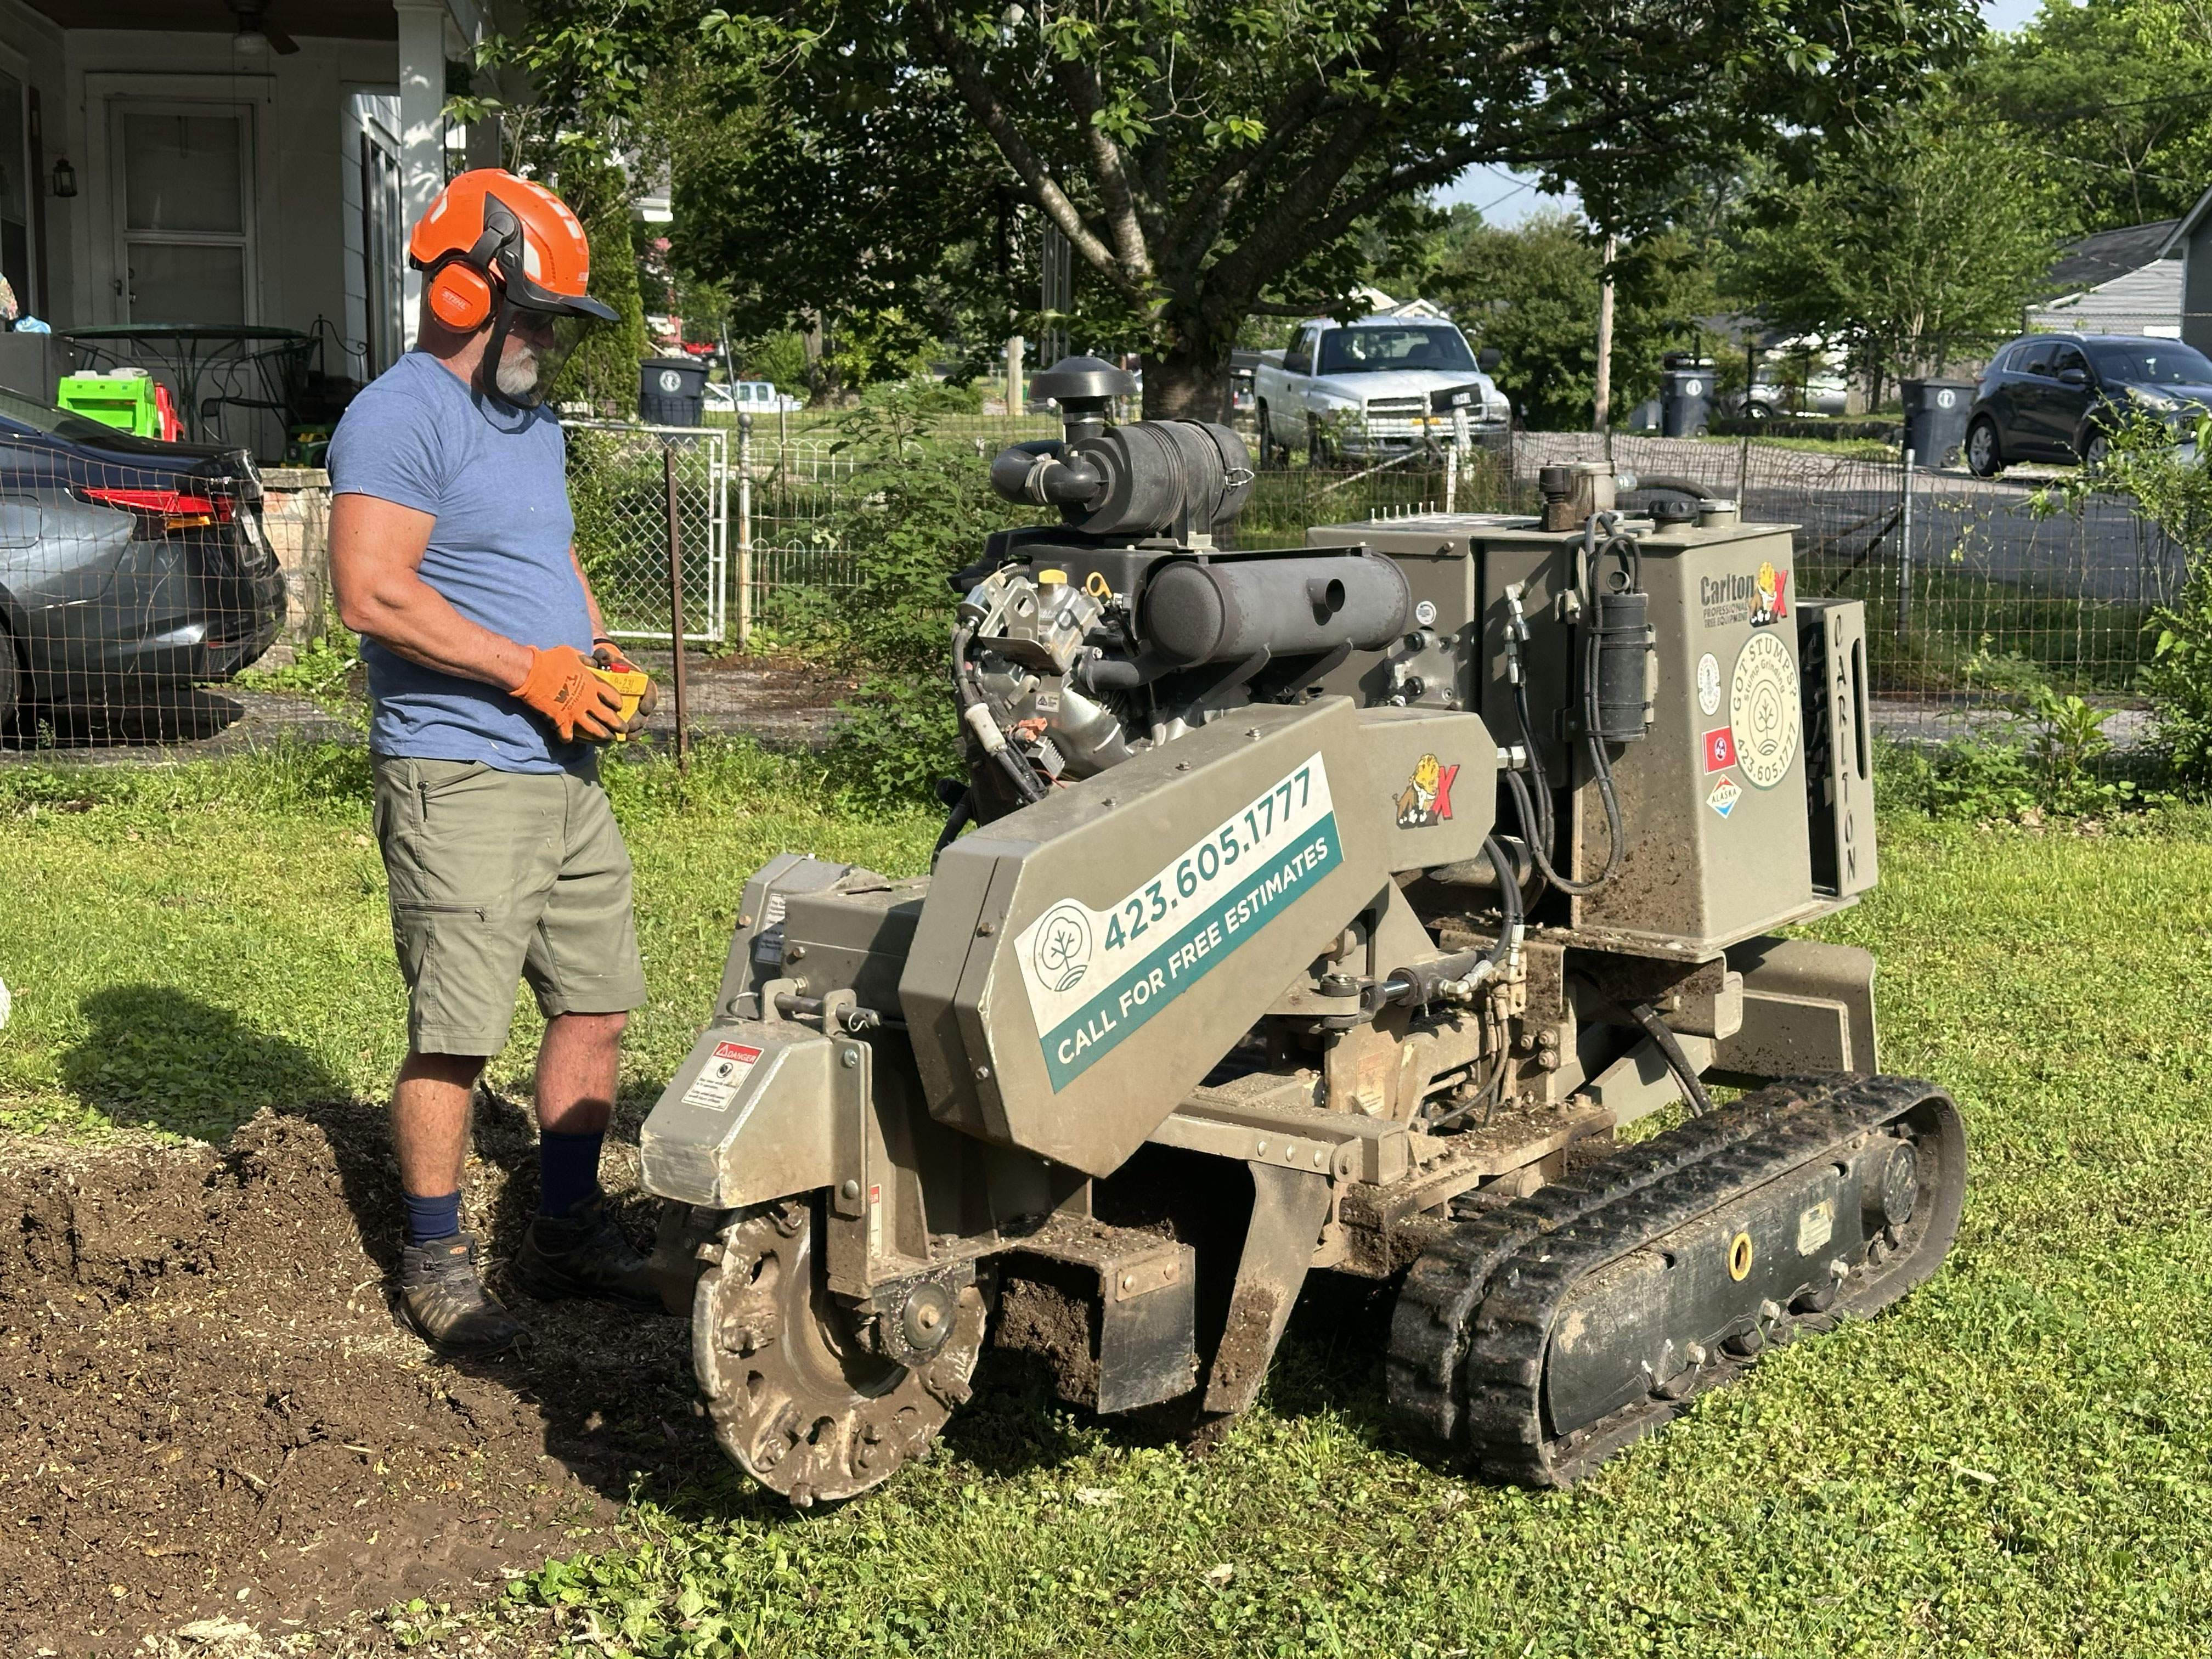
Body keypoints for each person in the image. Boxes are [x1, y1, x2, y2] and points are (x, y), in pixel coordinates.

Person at [328, 168, 661, 1358]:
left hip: (563, 770)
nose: (549, 344)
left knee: (599, 1004)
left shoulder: (532, 426)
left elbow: (553, 556)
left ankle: (565, 1229)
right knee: (458, 1032)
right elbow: (372, 593)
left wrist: (596, 653)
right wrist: (529, 673)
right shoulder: (398, 417)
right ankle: (434, 1256)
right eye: (539, 319)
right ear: (465, 293)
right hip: (459, 771)